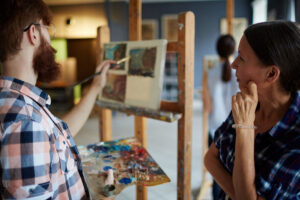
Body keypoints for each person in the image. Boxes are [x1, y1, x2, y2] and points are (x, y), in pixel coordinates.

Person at [0, 0, 118, 199]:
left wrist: (96, 86)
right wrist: (104, 195)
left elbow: (56, 135)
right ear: (34, 33)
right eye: (48, 29)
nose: (51, 40)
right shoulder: (26, 120)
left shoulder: (18, 102)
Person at [204, 20, 300, 200]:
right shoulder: (250, 102)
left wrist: (245, 128)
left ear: (271, 74)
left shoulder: (295, 140)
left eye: (241, 58)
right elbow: (209, 159)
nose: (233, 65)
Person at [202, 34, 238, 199]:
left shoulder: (209, 73)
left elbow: (208, 107)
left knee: (218, 174)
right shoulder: (241, 72)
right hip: (238, 129)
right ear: (234, 49)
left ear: (217, 50)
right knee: (234, 172)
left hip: (215, 129)